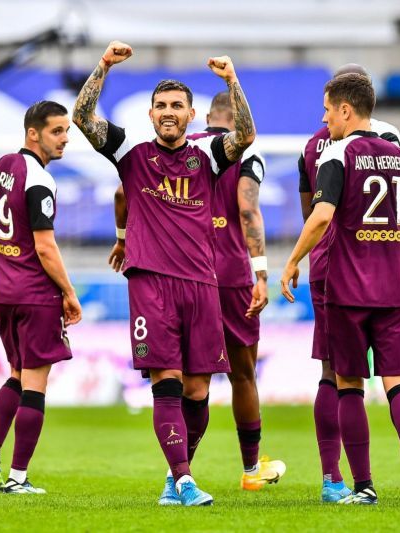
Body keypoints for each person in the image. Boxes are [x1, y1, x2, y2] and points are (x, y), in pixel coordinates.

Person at [73, 41, 256, 506]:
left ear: (192, 115)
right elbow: (82, 118)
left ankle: (177, 478)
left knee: (199, 392)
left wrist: (232, 81)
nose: (168, 112)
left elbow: (246, 136)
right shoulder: (131, 151)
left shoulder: (209, 155)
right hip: (151, 283)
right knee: (168, 383)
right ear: (150, 114)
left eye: (177, 106)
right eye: (161, 106)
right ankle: (185, 479)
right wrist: (105, 66)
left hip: (202, 284)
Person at [109, 92, 285, 493]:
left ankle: (180, 472)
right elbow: (247, 207)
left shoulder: (193, 145)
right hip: (230, 276)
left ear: (200, 115)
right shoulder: (236, 152)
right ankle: (250, 466)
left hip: (181, 269)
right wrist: (261, 272)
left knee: (179, 380)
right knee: (241, 375)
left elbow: (122, 194)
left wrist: (123, 237)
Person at [298, 64, 400, 502]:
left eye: (328, 110)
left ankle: (348, 482)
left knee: (342, 378)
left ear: (345, 108)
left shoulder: (321, 150)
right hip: (390, 277)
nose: (324, 118)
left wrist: (294, 260)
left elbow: (315, 213)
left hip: (337, 276)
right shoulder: (396, 147)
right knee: (399, 377)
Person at [0, 100, 81, 494]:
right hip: (35, 294)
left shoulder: (0, 169)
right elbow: (45, 247)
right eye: (56, 131)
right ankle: (17, 478)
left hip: (3, 292)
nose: (64, 138)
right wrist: (69, 292)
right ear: (33, 133)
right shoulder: (39, 179)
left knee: (16, 376)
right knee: (34, 384)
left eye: (66, 130)